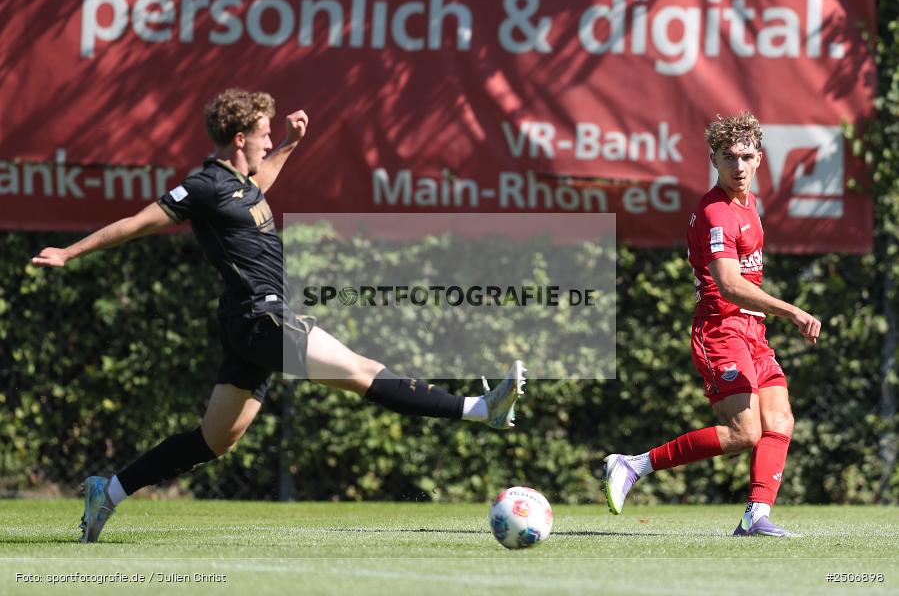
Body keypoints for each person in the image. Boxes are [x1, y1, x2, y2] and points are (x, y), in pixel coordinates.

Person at [31, 88, 526, 543]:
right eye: (265, 135)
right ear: (240, 137)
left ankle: (108, 491)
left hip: (249, 322)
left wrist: (290, 143)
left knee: (214, 440)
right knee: (360, 371)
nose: (268, 144)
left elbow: (260, 182)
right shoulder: (204, 185)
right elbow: (137, 223)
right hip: (260, 317)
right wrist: (70, 253)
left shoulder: (242, 181)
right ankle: (481, 409)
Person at [602, 112, 821, 537]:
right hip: (721, 329)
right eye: (728, 158)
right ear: (713, 160)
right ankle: (634, 464)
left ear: (759, 159)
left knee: (780, 421)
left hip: (752, 331)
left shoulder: (749, 204)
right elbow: (729, 285)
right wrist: (791, 310)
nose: (737, 167)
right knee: (744, 432)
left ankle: (756, 516)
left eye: (745, 157)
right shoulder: (717, 212)